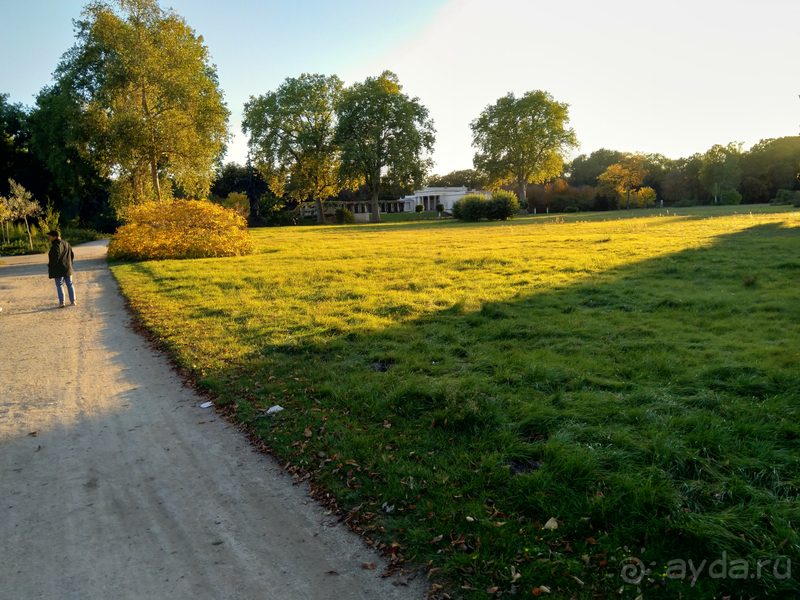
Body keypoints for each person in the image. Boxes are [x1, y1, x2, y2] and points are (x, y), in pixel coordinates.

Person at [47, 230, 76, 308]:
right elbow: (72, 255)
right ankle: (73, 301)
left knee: (59, 284)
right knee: (70, 284)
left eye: (50, 236)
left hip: (58, 268)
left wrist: (51, 266)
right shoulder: (67, 244)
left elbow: (54, 258)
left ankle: (62, 302)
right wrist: (70, 264)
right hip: (68, 267)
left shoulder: (55, 246)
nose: (49, 238)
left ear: (55, 237)